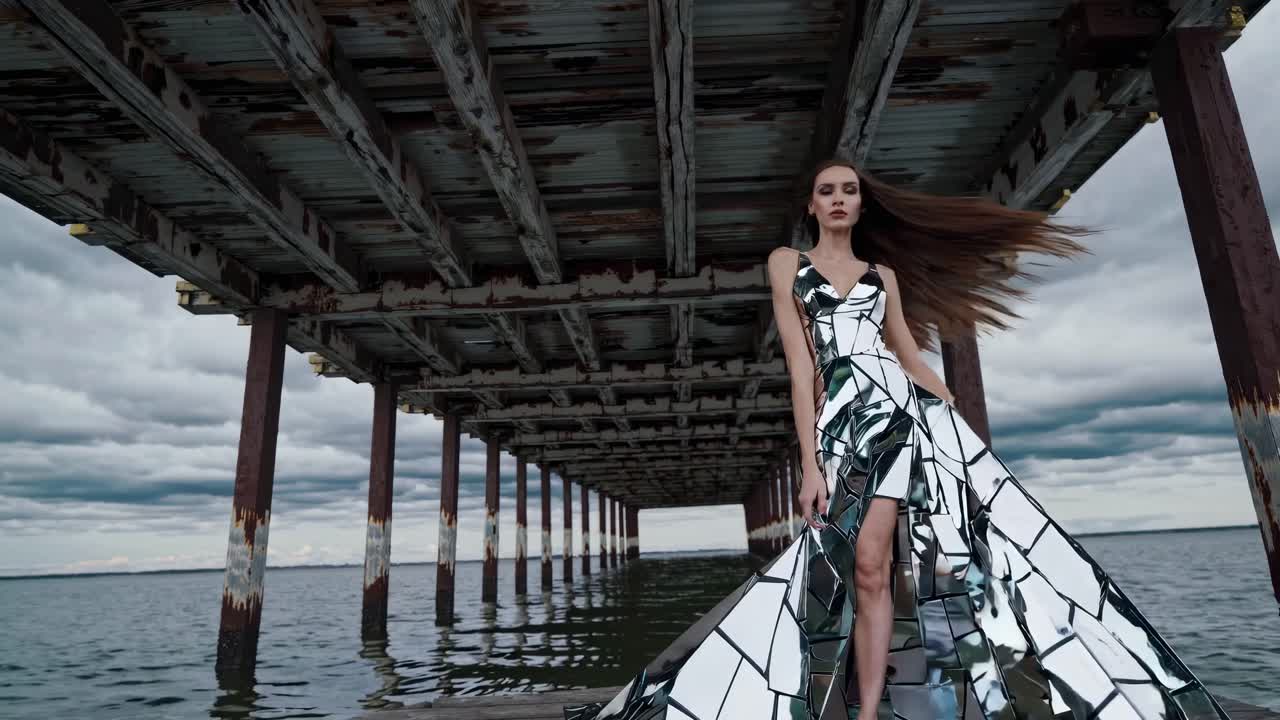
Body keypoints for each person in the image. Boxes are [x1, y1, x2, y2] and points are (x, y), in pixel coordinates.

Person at [565, 158, 1232, 720]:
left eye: (849, 190)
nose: (838, 199)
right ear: (811, 203)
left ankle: (871, 705)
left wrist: (955, 418)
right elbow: (801, 371)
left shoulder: (885, 277)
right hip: (837, 424)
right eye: (827, 190)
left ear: (861, 204)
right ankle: (814, 686)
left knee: (871, 565)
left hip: (899, 420)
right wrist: (808, 464)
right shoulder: (784, 266)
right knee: (836, 563)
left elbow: (910, 356)